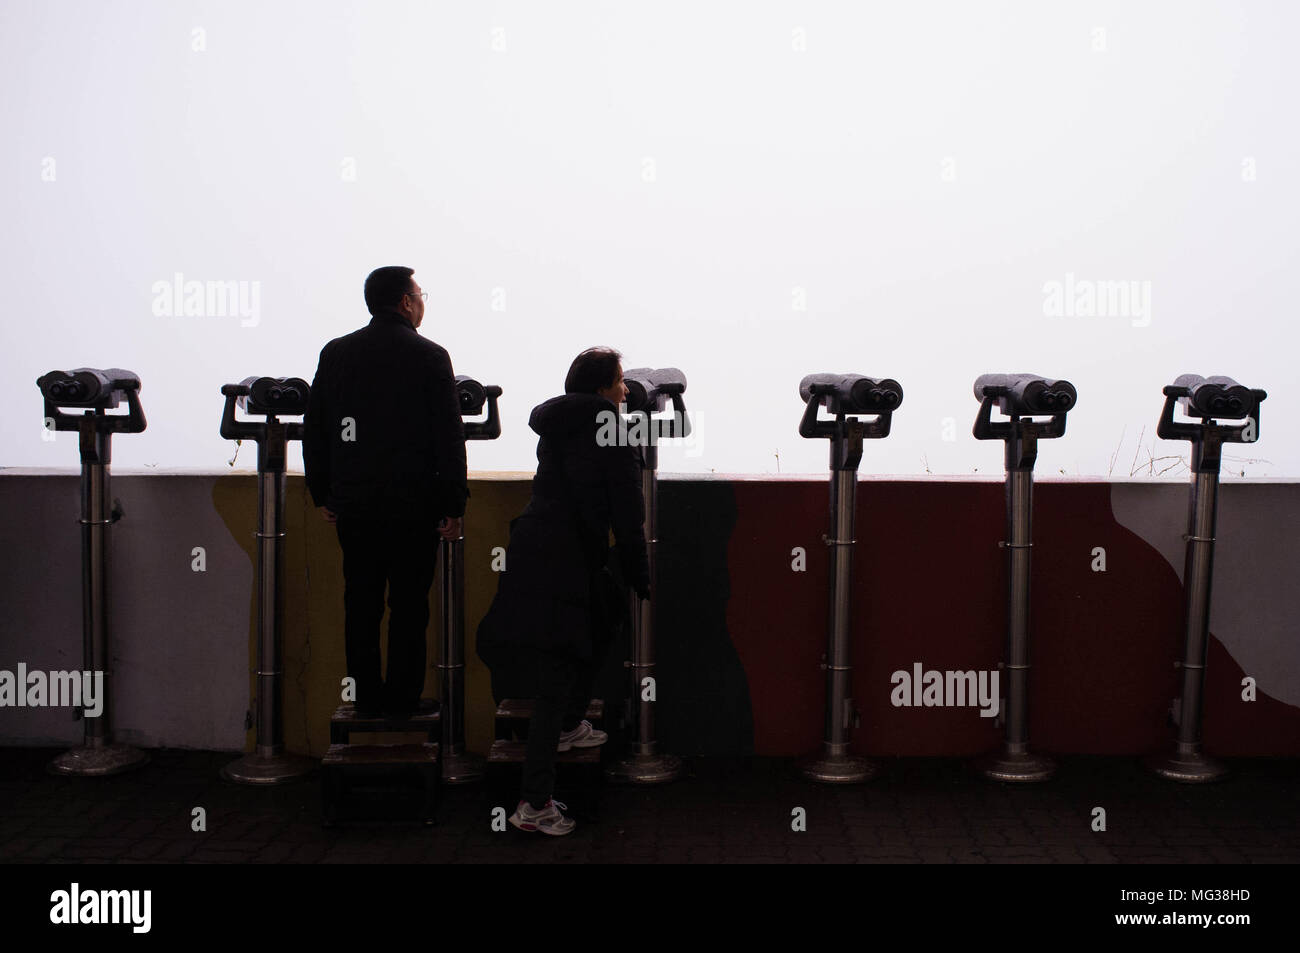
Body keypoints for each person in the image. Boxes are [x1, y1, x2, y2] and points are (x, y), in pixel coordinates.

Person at [476, 347, 650, 835]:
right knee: (556, 673)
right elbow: (626, 503)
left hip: (534, 545)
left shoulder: (557, 423)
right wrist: (638, 566)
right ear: (601, 388)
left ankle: (572, 722)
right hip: (567, 558)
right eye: (619, 381)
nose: (624, 390)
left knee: (603, 618)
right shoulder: (611, 428)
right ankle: (534, 804)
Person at [303, 266, 468, 717]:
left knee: (360, 604)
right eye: (420, 295)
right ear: (405, 302)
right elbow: (447, 438)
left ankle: (364, 698)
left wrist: (323, 493)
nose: (422, 303)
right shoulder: (431, 356)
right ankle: (402, 698)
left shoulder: (336, 353)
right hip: (414, 507)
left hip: (354, 505)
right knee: (409, 607)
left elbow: (316, 429)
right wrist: (453, 503)